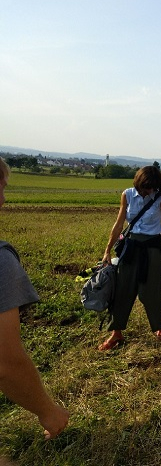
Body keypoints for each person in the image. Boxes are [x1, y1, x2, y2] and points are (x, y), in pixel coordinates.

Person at [0, 157, 70, 439]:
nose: (3, 200)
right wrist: (48, 412)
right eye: (1, 188)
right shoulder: (2, 263)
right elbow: (5, 362)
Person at [99, 165, 161, 350]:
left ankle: (160, 327)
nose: (150, 191)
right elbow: (118, 224)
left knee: (151, 291)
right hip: (131, 248)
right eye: (146, 187)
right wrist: (107, 249)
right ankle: (116, 333)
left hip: (151, 250)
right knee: (123, 289)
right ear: (139, 183)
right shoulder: (127, 194)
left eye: (153, 187)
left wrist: (158, 241)